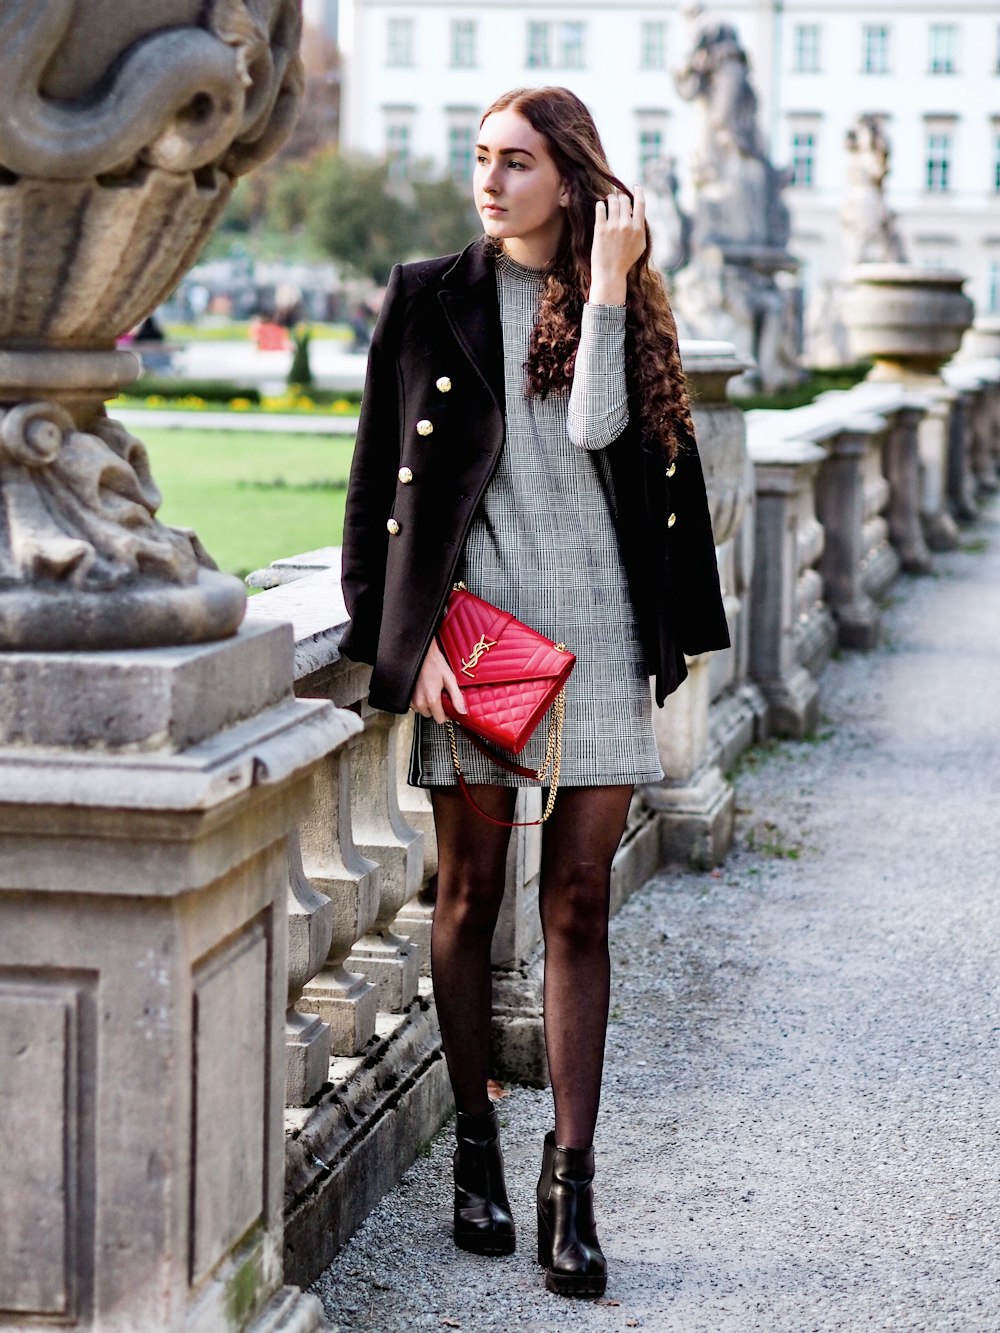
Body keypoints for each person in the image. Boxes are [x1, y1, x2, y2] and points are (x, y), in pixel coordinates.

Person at [340, 86, 729, 1298]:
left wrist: (607, 285)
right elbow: (370, 497)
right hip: (480, 651)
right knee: (464, 900)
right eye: (480, 159)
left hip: (603, 643)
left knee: (576, 909)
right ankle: (476, 1147)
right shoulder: (425, 296)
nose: (490, 181)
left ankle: (573, 1184)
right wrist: (406, 649)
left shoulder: (616, 307)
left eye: (515, 162)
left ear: (573, 180)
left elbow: (598, 433)